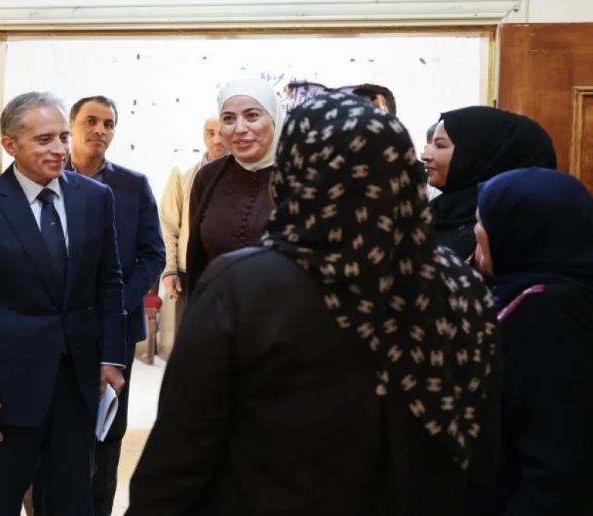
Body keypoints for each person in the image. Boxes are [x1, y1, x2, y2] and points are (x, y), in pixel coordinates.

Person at [127, 92, 501, 516]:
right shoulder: (459, 284)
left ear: (293, 174)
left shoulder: (244, 286)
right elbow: (482, 452)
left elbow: (180, 455)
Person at [0, 91, 126, 516]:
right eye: (44, 140)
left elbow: (109, 283)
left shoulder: (96, 198)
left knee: (71, 501)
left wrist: (111, 358)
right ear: (11, 145)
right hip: (7, 389)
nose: (59, 149)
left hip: (77, 383)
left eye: (62, 137)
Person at [65, 95, 165, 516]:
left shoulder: (132, 185)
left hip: (116, 329)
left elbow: (153, 254)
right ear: (71, 126)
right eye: (91, 121)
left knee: (107, 433)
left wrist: (118, 303)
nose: (100, 130)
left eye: (108, 124)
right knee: (57, 428)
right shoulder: (47, 177)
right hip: (58, 327)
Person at [475, 167, 593, 515]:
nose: (476, 232)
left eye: (482, 222)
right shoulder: (553, 291)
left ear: (519, 232)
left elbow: (558, 462)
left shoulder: (545, 311)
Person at [185, 77, 285, 297]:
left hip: (286, 313)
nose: (240, 128)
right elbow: (197, 258)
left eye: (252, 116)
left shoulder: (302, 177)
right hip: (218, 311)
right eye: (228, 119)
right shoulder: (208, 177)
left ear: (274, 118)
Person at [421, 106, 556, 259]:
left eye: (440, 145)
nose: (425, 155)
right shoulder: (439, 212)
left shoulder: (501, 233)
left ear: (480, 156)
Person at [159, 116, 227, 329]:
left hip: (230, 271)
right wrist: (169, 269)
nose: (216, 140)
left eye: (222, 133)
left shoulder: (245, 175)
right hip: (189, 270)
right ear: (203, 135)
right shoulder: (183, 174)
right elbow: (168, 225)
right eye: (210, 133)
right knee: (188, 336)